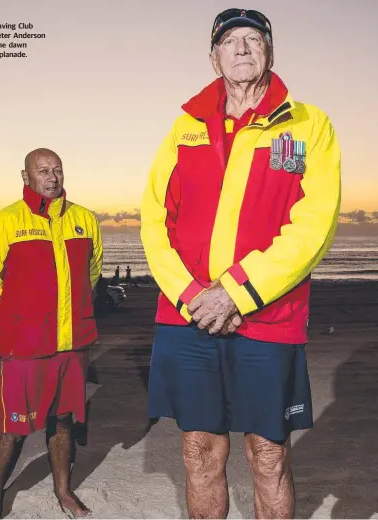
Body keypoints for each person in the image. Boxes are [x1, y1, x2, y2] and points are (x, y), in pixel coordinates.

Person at [140, 8, 340, 520]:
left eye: (255, 39)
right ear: (214, 58)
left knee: (268, 455)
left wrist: (235, 293)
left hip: (268, 318)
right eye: (232, 41)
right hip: (188, 319)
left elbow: (313, 226)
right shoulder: (185, 127)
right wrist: (192, 298)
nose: (244, 48)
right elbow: (154, 218)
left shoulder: (306, 124)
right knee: (199, 451)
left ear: (269, 52)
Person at [0, 148, 103, 519]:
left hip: (72, 344)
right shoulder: (5, 221)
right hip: (25, 347)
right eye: (43, 170)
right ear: (25, 177)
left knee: (63, 420)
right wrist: (13, 318)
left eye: (57, 170)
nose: (52, 177)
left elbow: (92, 273)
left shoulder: (84, 219)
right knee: (12, 428)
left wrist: (72, 312)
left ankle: (63, 491)